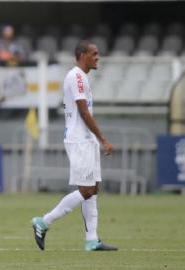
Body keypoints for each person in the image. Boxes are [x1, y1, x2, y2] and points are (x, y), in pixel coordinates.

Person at [31, 40, 118, 252]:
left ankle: (92, 240)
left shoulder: (82, 77)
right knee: (86, 189)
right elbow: (83, 111)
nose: (98, 57)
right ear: (82, 55)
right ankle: (44, 222)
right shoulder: (76, 76)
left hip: (85, 139)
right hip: (80, 140)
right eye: (94, 53)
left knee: (93, 189)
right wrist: (102, 138)